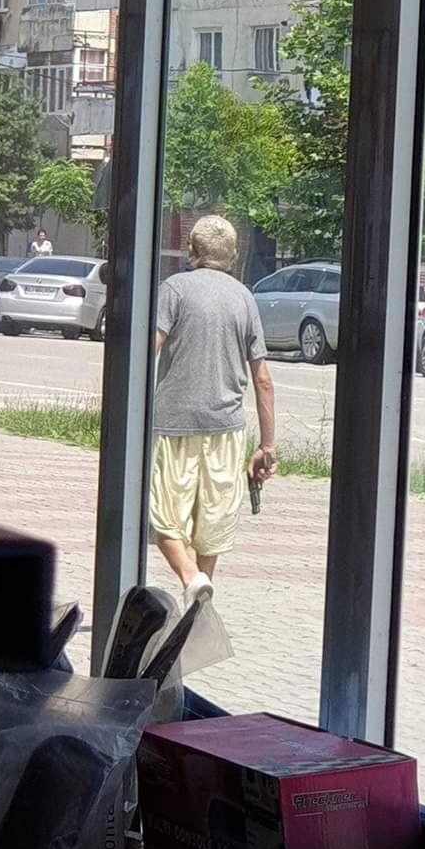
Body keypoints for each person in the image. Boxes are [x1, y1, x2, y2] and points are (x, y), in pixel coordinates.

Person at [150, 215, 277, 607]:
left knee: (164, 518)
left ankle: (192, 579)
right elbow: (263, 379)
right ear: (233, 255)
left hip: (174, 423)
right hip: (227, 429)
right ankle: (199, 602)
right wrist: (267, 446)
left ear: (190, 249)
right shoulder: (244, 298)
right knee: (212, 525)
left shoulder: (174, 289)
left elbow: (148, 348)